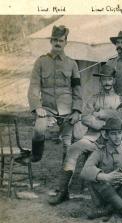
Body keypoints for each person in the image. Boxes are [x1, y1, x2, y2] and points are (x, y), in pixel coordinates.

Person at [48, 65, 122, 205]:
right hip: (92, 138)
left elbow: (121, 116)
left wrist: (100, 113)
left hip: (112, 140)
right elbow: (85, 117)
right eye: (104, 80)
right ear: (100, 81)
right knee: (73, 149)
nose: (107, 83)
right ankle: (63, 191)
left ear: (114, 80)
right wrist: (103, 124)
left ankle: (109, 194)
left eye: (109, 79)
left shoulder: (121, 99)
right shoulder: (93, 98)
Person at [28, 25, 82, 163]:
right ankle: (36, 156)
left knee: (68, 141)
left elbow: (77, 89)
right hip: (47, 109)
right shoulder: (41, 62)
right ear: (51, 41)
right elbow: (34, 86)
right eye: (55, 40)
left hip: (67, 110)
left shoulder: (72, 64)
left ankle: (67, 165)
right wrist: (37, 107)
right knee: (39, 130)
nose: (58, 43)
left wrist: (76, 111)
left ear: (66, 42)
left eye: (61, 40)